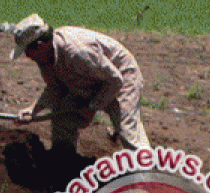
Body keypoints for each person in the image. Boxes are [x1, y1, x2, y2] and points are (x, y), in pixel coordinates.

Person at [10, 14, 150, 164]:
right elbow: (55, 88)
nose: (26, 56)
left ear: (39, 45)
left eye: (27, 51)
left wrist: (93, 106)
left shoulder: (77, 51)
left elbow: (115, 80)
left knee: (126, 129)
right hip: (88, 80)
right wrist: (33, 109)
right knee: (62, 118)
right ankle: (63, 163)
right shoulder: (45, 57)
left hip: (121, 76)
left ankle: (149, 174)